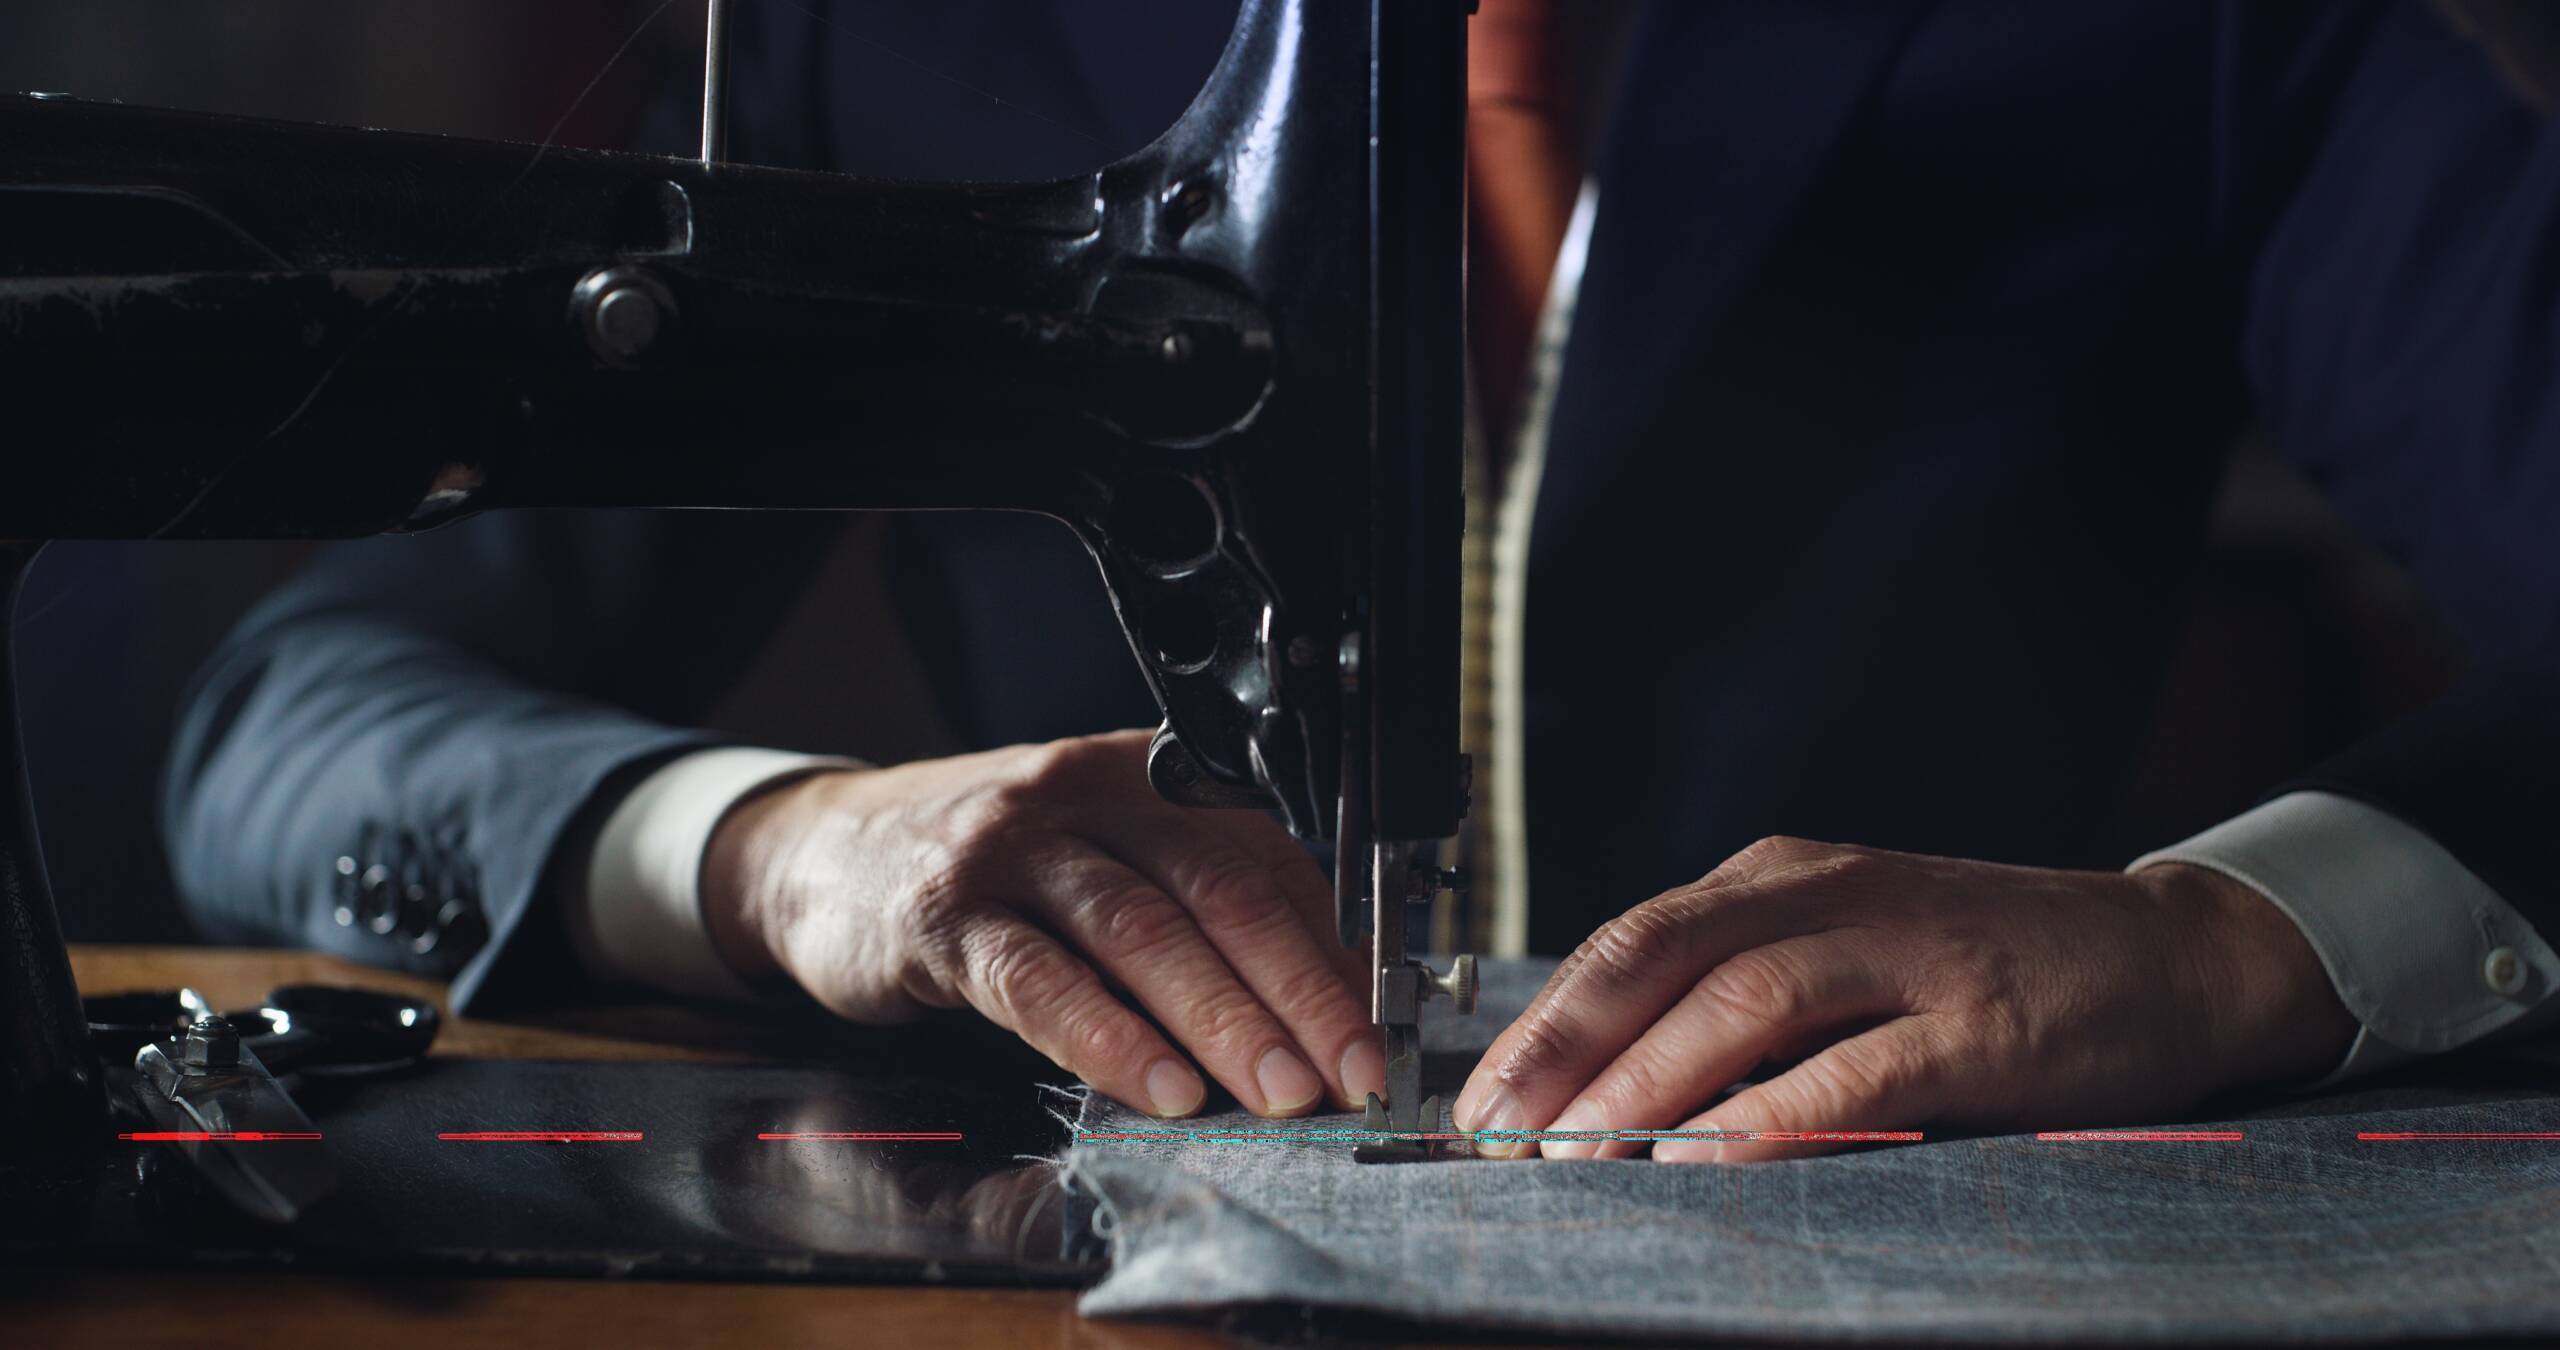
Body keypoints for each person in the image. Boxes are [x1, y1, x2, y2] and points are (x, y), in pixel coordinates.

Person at [165, 0, 2560, 1161]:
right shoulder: (892, 30)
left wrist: (2227, 934)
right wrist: (786, 845)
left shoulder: (2201, 25)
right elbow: (303, 709)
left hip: (1933, 1220)